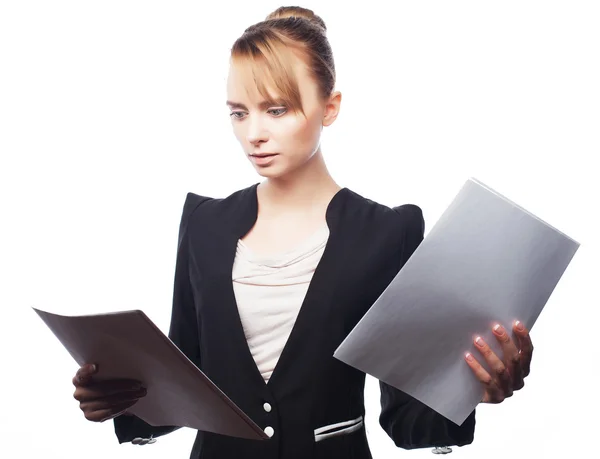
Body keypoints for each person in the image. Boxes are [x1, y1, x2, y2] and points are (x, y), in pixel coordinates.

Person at [71, 6, 534, 459]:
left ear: (329, 107)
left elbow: (407, 419)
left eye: (277, 109)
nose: (254, 133)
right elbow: (185, 380)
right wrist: (116, 398)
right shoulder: (203, 224)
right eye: (238, 113)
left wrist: (473, 390)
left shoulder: (388, 233)